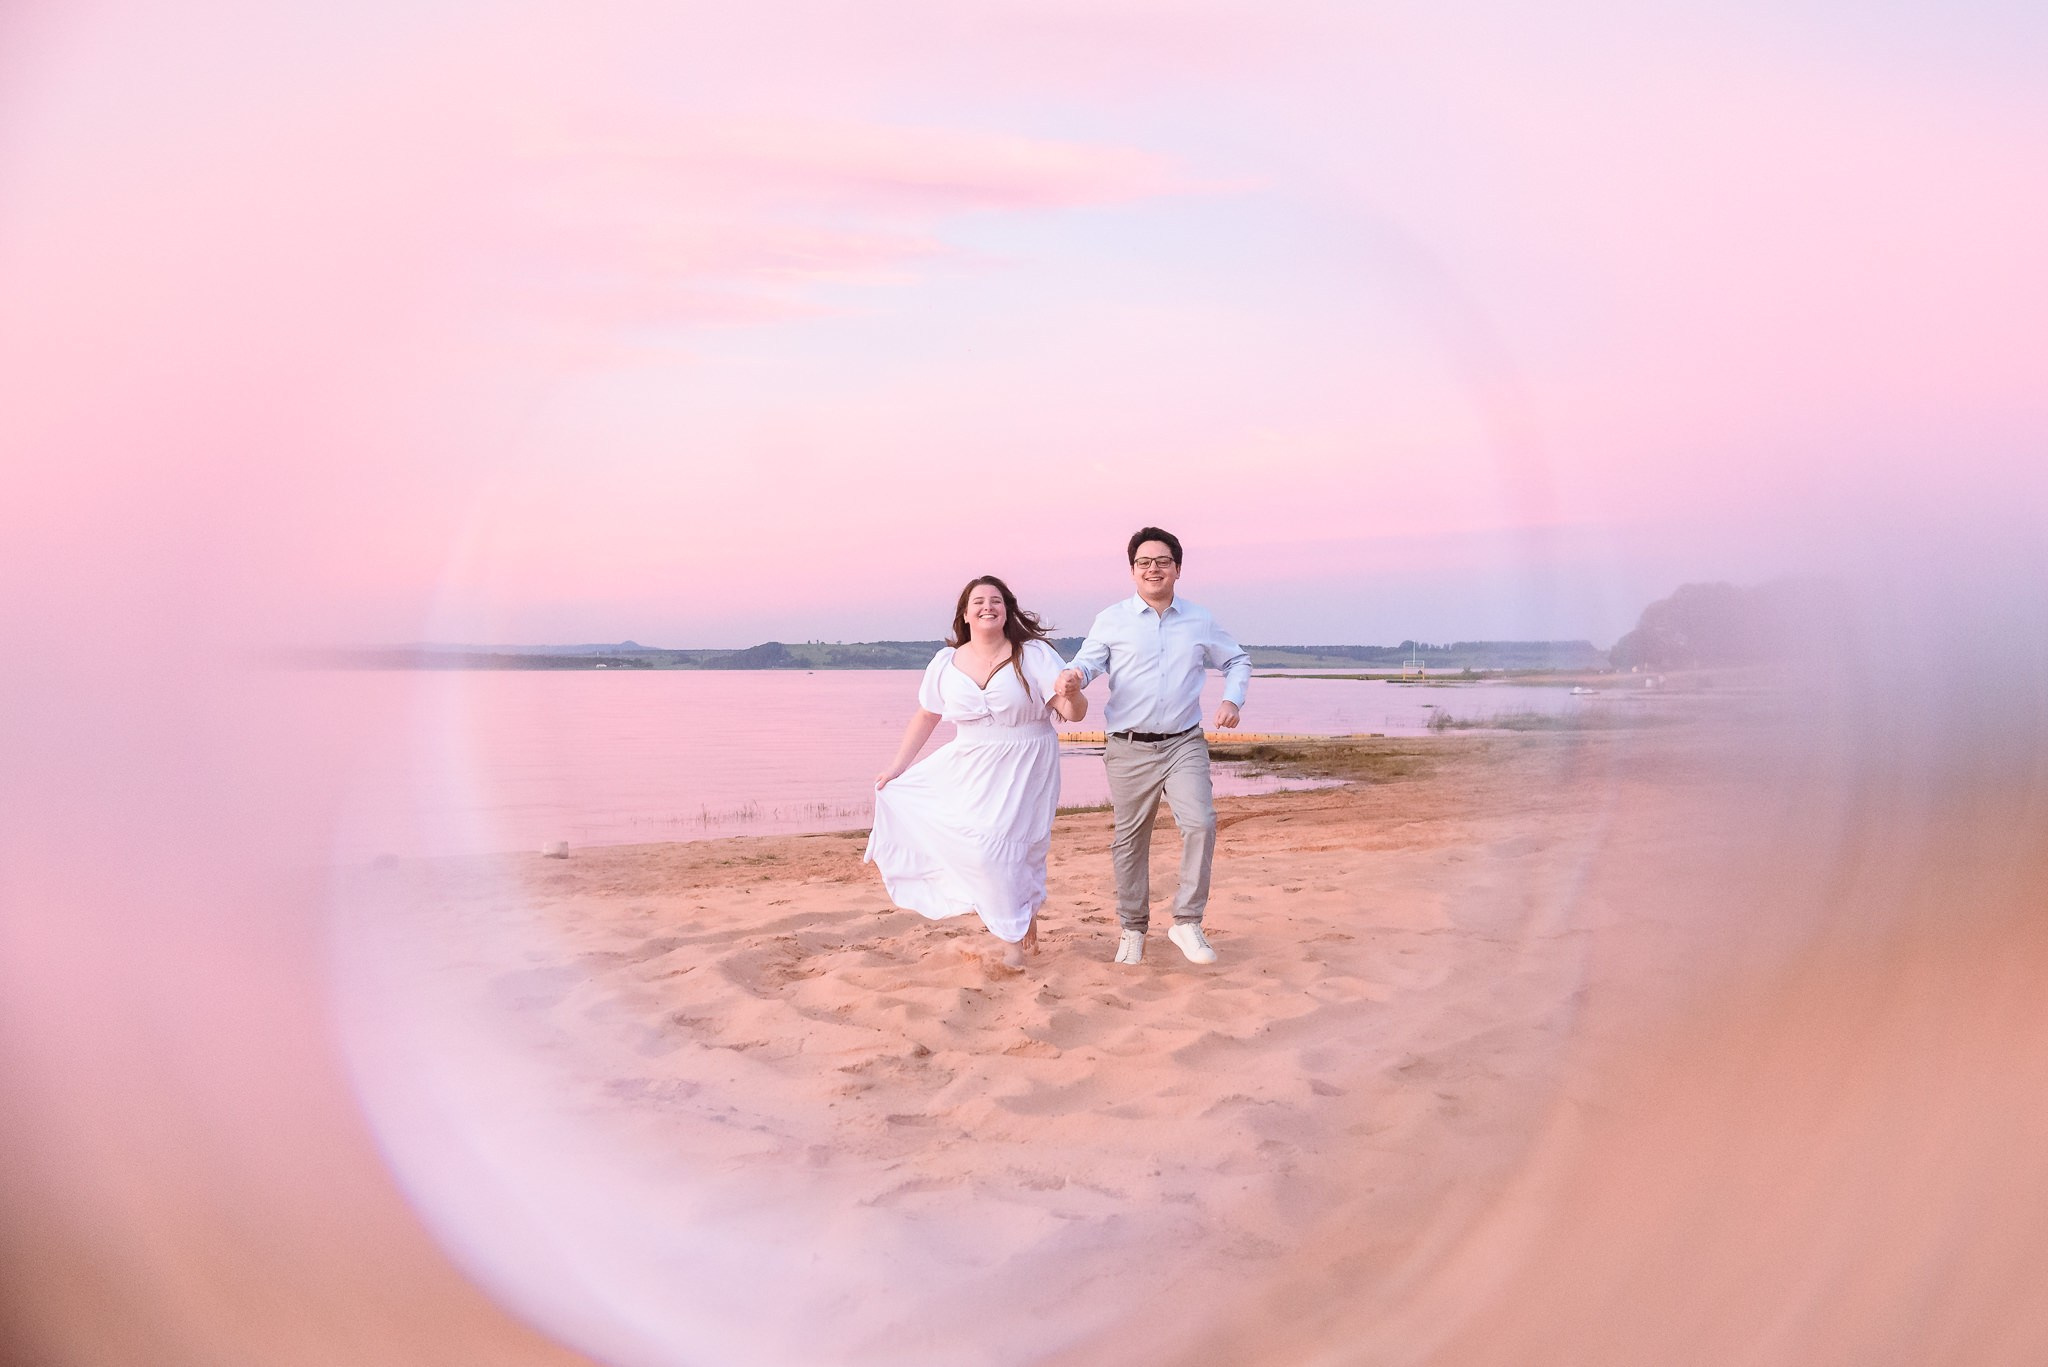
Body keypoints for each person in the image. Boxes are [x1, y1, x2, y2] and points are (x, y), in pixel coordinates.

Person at [866, 576, 1088, 970]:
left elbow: (1072, 714)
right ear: (965, 614)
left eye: (996, 601)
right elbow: (928, 714)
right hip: (969, 761)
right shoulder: (944, 662)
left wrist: (1072, 693)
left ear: (1007, 610)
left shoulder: (1033, 654)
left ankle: (1013, 943)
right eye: (979, 602)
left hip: (1027, 760)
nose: (988, 607)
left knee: (1013, 850)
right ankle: (1019, 924)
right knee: (983, 850)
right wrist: (898, 767)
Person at [1056, 527, 1249, 966]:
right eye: (1144, 562)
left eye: (1162, 561)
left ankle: (1186, 920)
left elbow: (1236, 659)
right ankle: (1132, 928)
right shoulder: (1112, 619)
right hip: (1128, 746)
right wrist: (1073, 678)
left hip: (1184, 742)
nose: (1153, 569)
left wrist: (1232, 699)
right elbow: (1088, 662)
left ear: (1177, 569)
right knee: (1130, 841)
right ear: (1132, 571)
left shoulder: (1198, 619)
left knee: (1200, 823)